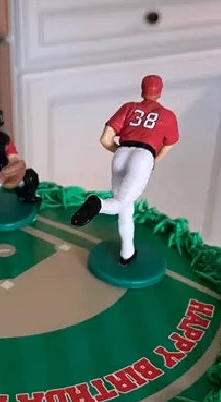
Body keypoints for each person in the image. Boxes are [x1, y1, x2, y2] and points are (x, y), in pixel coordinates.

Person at [70, 75, 179, 265]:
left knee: (126, 208)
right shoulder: (168, 115)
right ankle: (98, 205)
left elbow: (105, 138)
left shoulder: (129, 107)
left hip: (121, 153)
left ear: (142, 90)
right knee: (121, 203)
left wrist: (119, 150)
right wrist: (153, 160)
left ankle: (127, 252)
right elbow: (169, 144)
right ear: (160, 92)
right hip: (143, 155)